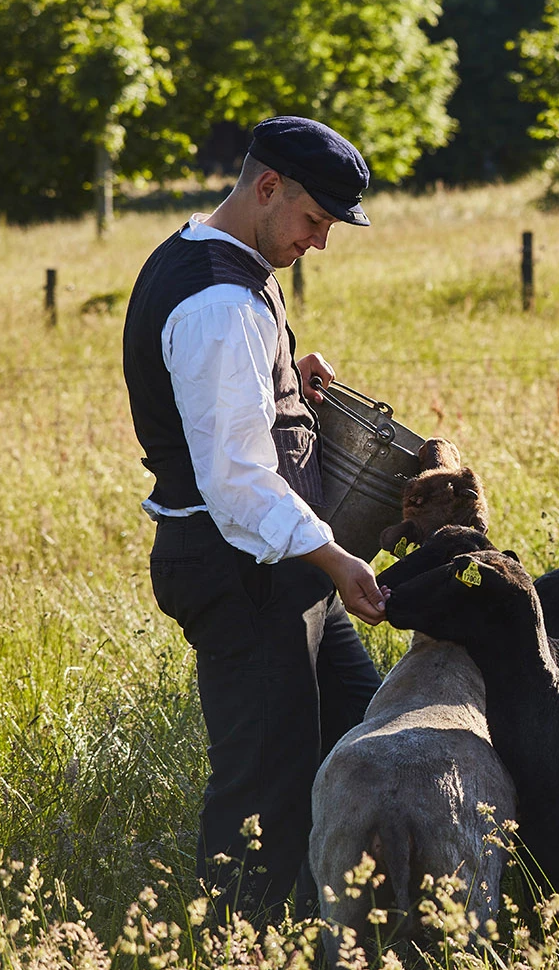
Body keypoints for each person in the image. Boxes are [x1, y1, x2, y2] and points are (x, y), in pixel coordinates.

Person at [122, 115, 387, 920]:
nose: (321, 242)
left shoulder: (220, 266)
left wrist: (283, 376)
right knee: (262, 787)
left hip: (277, 570)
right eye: (315, 221)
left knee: (364, 728)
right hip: (241, 569)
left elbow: (219, 401)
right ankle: (244, 959)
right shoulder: (215, 304)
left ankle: (367, 920)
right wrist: (337, 557)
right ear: (268, 188)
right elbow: (236, 482)